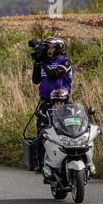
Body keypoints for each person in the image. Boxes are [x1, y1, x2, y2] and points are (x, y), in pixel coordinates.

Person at [32, 36, 72, 173]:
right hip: (45, 101)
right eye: (47, 47)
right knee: (42, 131)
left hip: (62, 102)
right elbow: (35, 80)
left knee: (66, 130)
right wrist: (37, 62)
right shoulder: (44, 62)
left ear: (58, 48)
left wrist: (43, 62)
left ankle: (68, 159)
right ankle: (41, 163)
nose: (49, 50)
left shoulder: (64, 62)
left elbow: (54, 74)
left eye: (51, 47)